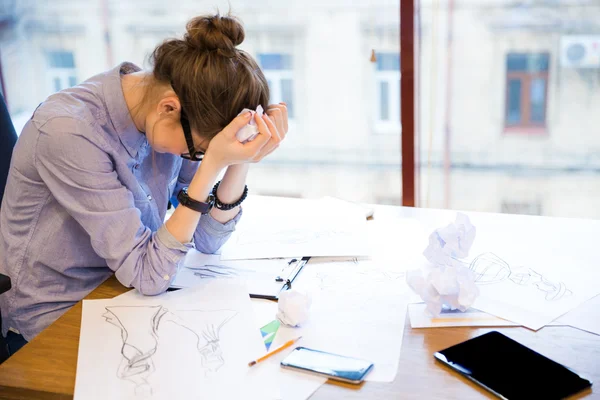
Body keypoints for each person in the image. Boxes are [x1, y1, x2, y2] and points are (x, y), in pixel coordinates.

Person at [0, 13, 288, 357]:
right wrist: (212, 165)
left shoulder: (170, 111)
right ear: (169, 108)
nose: (194, 159)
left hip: (125, 293)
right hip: (56, 315)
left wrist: (240, 158)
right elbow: (147, 274)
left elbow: (208, 241)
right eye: (196, 150)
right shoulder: (69, 133)